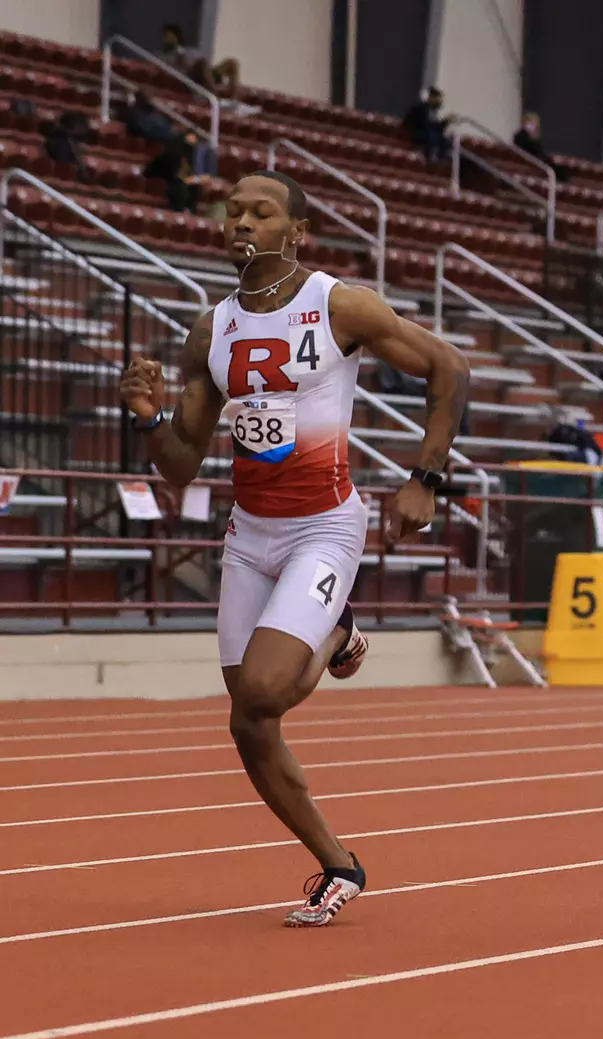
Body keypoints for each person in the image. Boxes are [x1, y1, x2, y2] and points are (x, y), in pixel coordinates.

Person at [119, 170, 469, 926]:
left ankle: (337, 626)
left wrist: (425, 482)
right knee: (248, 723)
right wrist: (150, 421)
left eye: (261, 212)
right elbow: (182, 465)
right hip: (250, 535)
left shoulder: (336, 303)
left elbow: (449, 367)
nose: (242, 221)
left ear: (293, 232)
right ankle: (338, 864)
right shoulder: (210, 331)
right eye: (233, 210)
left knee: (264, 691)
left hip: (323, 524)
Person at [513, 111, 570, 182]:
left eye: (533, 123)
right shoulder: (520, 135)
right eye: (529, 122)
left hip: (538, 158)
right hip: (531, 159)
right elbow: (529, 149)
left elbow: (539, 150)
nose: (531, 125)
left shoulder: (533, 137)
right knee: (557, 168)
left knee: (562, 167)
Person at [402, 86, 452, 164]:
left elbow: (436, 128)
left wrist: (445, 122)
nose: (439, 101)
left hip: (427, 133)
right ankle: (430, 157)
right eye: (437, 98)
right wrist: (442, 124)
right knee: (431, 136)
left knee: (446, 140)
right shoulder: (420, 108)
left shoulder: (433, 112)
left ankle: (441, 158)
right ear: (431, 97)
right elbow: (425, 126)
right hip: (416, 133)